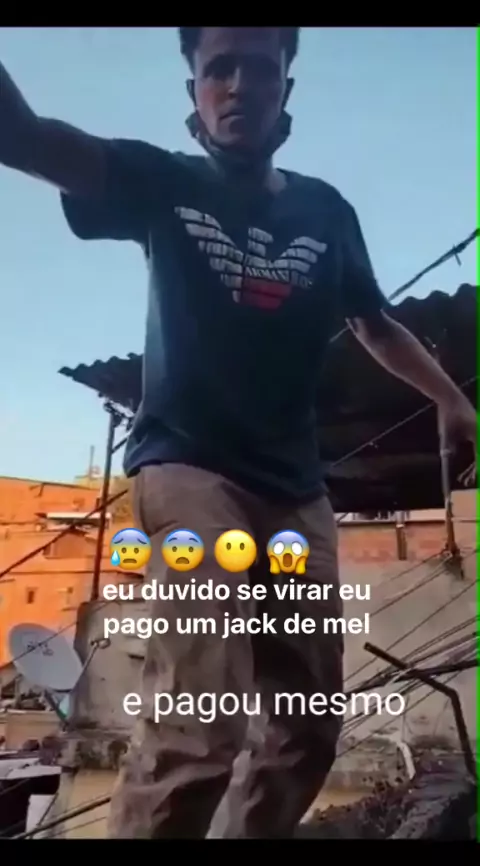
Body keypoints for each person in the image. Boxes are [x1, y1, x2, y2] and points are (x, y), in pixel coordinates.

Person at [0, 27, 475, 839]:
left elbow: (374, 321)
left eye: (259, 67)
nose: (238, 84)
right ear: (194, 89)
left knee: (305, 732)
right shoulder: (161, 180)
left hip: (295, 492)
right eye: (218, 67)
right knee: (200, 729)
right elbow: (27, 137)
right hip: (189, 471)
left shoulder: (326, 210)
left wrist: (452, 400)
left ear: (285, 86)